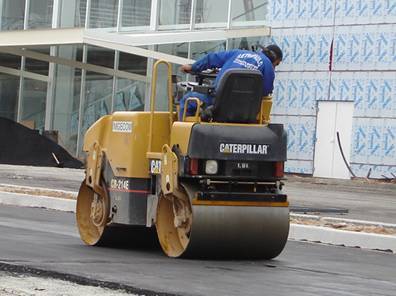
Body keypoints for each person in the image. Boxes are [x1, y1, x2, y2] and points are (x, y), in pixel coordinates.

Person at [178, 44, 283, 119]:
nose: (274, 68)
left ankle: (183, 140)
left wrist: (193, 67)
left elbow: (212, 58)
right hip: (245, 111)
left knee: (187, 100)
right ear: (273, 58)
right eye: (276, 64)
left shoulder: (238, 53)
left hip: (217, 103)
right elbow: (266, 91)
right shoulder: (267, 65)